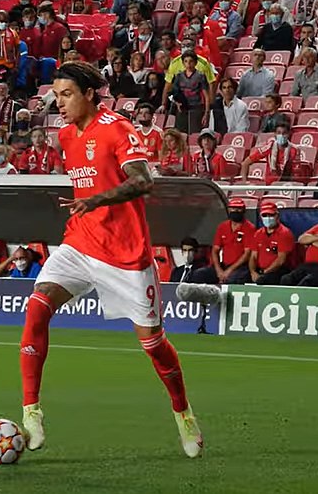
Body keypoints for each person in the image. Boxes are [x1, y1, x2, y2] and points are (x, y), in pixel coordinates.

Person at [17, 62, 201, 457]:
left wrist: (98, 199)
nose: (59, 103)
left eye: (67, 94)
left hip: (125, 254)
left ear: (88, 94)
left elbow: (144, 180)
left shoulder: (117, 128)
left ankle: (182, 412)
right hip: (80, 242)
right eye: (56, 95)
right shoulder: (66, 135)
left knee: (153, 344)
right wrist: (89, 207)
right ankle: (31, 411)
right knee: (37, 306)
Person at [188, 198, 255, 285]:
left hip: (241, 267)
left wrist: (229, 270)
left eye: (238, 208)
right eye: (233, 208)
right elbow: (215, 250)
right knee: (199, 274)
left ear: (244, 210)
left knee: (231, 279)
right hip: (223, 265)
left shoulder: (250, 228)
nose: (235, 211)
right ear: (229, 210)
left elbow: (247, 254)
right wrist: (218, 270)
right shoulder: (222, 227)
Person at [247, 202, 294, 285]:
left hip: (278, 270)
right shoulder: (258, 234)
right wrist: (253, 272)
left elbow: (281, 260)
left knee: (263, 280)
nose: (268, 218)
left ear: (277, 216)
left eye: (271, 215)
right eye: (265, 215)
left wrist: (264, 272)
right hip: (260, 270)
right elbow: (253, 256)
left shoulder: (285, 233)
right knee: (240, 278)